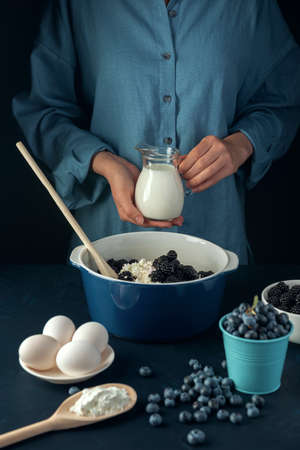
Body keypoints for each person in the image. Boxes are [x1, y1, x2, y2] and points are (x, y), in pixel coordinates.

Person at [12, 0, 300, 264]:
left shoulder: (250, 7)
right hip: (107, 245)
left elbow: (283, 101)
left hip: (216, 240)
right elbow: (45, 112)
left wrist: (241, 145)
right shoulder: (79, 6)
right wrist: (104, 162)